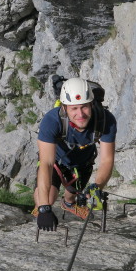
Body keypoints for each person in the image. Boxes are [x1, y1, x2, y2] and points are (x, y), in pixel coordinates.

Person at [33, 77, 117, 231]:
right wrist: (44, 208)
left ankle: (69, 204)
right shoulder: (52, 121)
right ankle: (41, 205)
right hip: (57, 161)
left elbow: (107, 160)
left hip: (83, 163)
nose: (80, 114)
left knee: (73, 195)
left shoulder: (105, 120)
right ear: (64, 108)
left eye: (84, 107)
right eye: (74, 108)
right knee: (47, 199)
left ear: (91, 104)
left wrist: (98, 187)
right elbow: (46, 163)